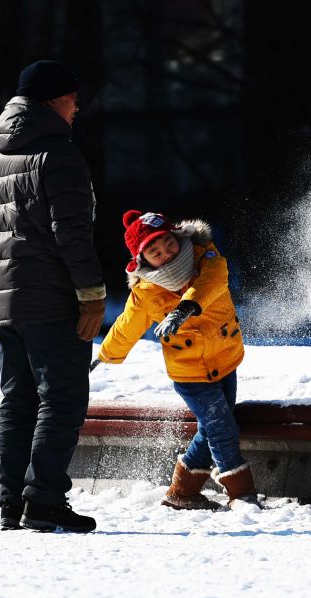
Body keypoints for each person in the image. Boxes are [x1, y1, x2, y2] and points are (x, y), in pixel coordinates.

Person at [0, 59, 106, 533]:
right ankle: (44, 501)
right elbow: (72, 234)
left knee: (18, 401)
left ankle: (12, 503)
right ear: (53, 99)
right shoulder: (58, 155)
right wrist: (91, 297)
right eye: (72, 99)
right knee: (63, 399)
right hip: (51, 301)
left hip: (6, 303)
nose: (77, 109)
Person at [93, 210, 260, 511]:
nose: (166, 254)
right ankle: (242, 494)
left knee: (212, 428)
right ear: (143, 261)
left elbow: (214, 281)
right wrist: (106, 354)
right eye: (155, 252)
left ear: (177, 236)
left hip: (224, 359)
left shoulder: (205, 257)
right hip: (190, 374)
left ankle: (182, 492)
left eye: (168, 243)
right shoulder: (146, 291)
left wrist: (185, 308)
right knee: (221, 428)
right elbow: (127, 325)